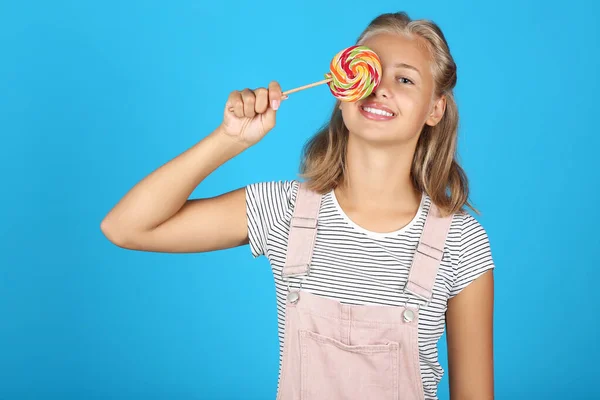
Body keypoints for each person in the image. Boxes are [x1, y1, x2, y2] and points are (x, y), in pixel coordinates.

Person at [101, 11, 495, 400]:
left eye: (405, 79)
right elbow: (126, 227)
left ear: (435, 109)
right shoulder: (283, 210)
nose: (379, 88)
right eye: (369, 72)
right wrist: (230, 139)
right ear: (341, 89)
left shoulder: (461, 241)